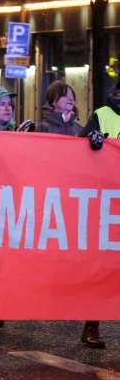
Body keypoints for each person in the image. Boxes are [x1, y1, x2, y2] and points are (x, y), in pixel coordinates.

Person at [77, 80, 118, 349]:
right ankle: (91, 326)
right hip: (108, 201)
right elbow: (78, 150)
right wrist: (94, 141)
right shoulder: (103, 114)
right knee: (104, 266)